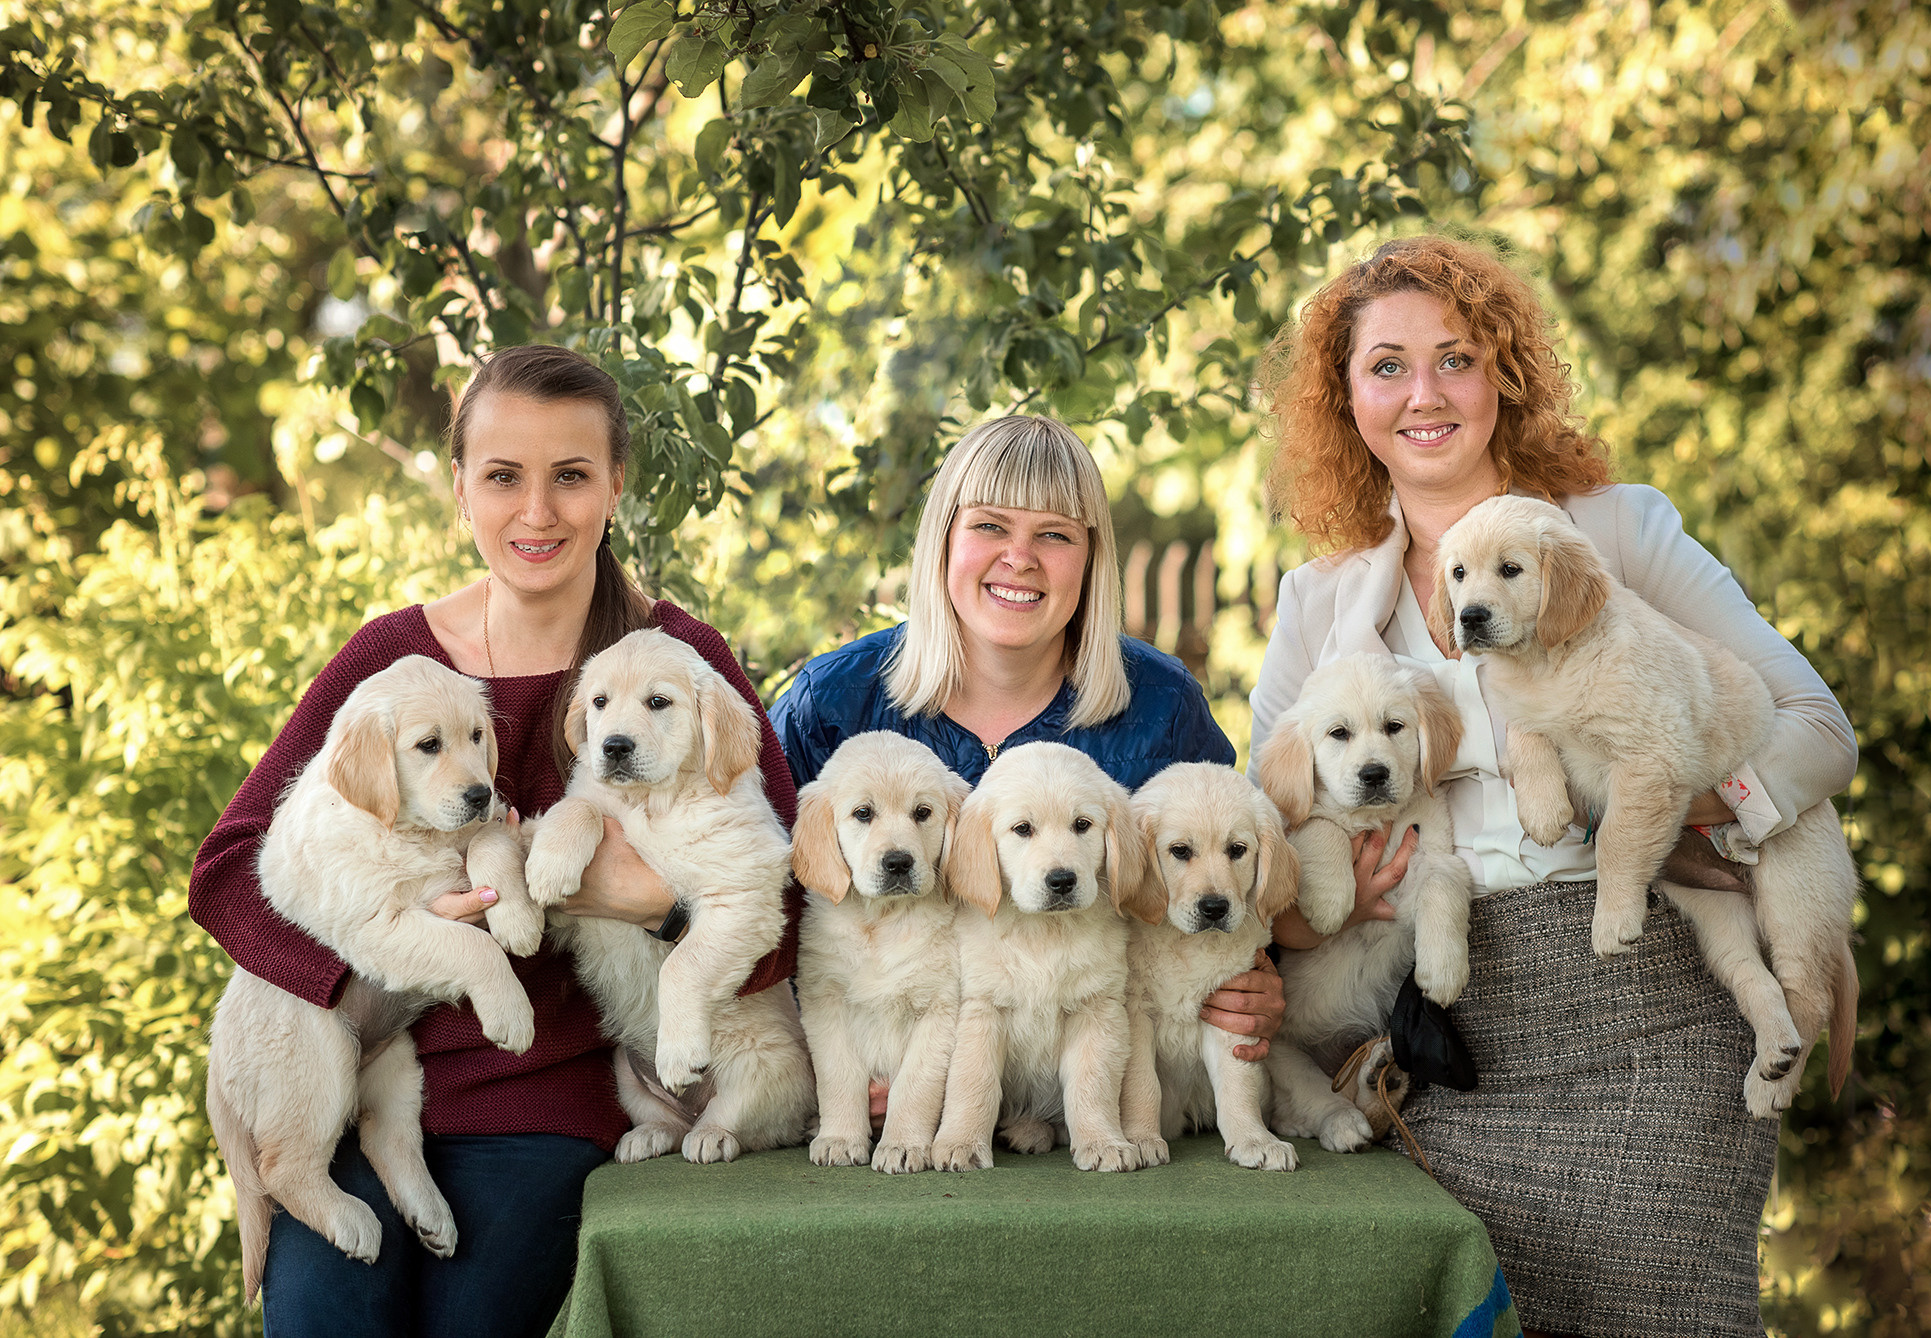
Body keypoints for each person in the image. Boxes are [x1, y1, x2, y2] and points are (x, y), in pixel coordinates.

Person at [1248, 235, 1858, 1338]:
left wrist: (1702, 814)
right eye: (1385, 366)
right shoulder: (1317, 600)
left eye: (1455, 358)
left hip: (1650, 1021)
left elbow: (1816, 730)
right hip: (1442, 1053)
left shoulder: (1616, 529)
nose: (1422, 394)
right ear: (1344, 398)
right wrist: (1325, 901)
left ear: (1502, 377)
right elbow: (1264, 849)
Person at [190, 345, 800, 1337]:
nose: (537, 512)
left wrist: (657, 904)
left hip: (547, 1106)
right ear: (462, 487)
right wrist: (361, 976)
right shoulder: (393, 659)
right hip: (355, 1096)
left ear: (613, 485)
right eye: (502, 477)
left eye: (571, 476)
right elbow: (227, 871)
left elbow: (785, 920)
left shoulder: (674, 663)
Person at [768, 414, 1404, 1060]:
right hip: (882, 1093)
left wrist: (1256, 984)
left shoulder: (1160, 706)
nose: (1019, 558)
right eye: (989, 525)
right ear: (943, 540)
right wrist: (831, 1065)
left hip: (1105, 1090)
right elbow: (764, 909)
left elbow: (1233, 888)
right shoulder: (835, 702)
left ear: (1092, 559)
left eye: (1054, 534)